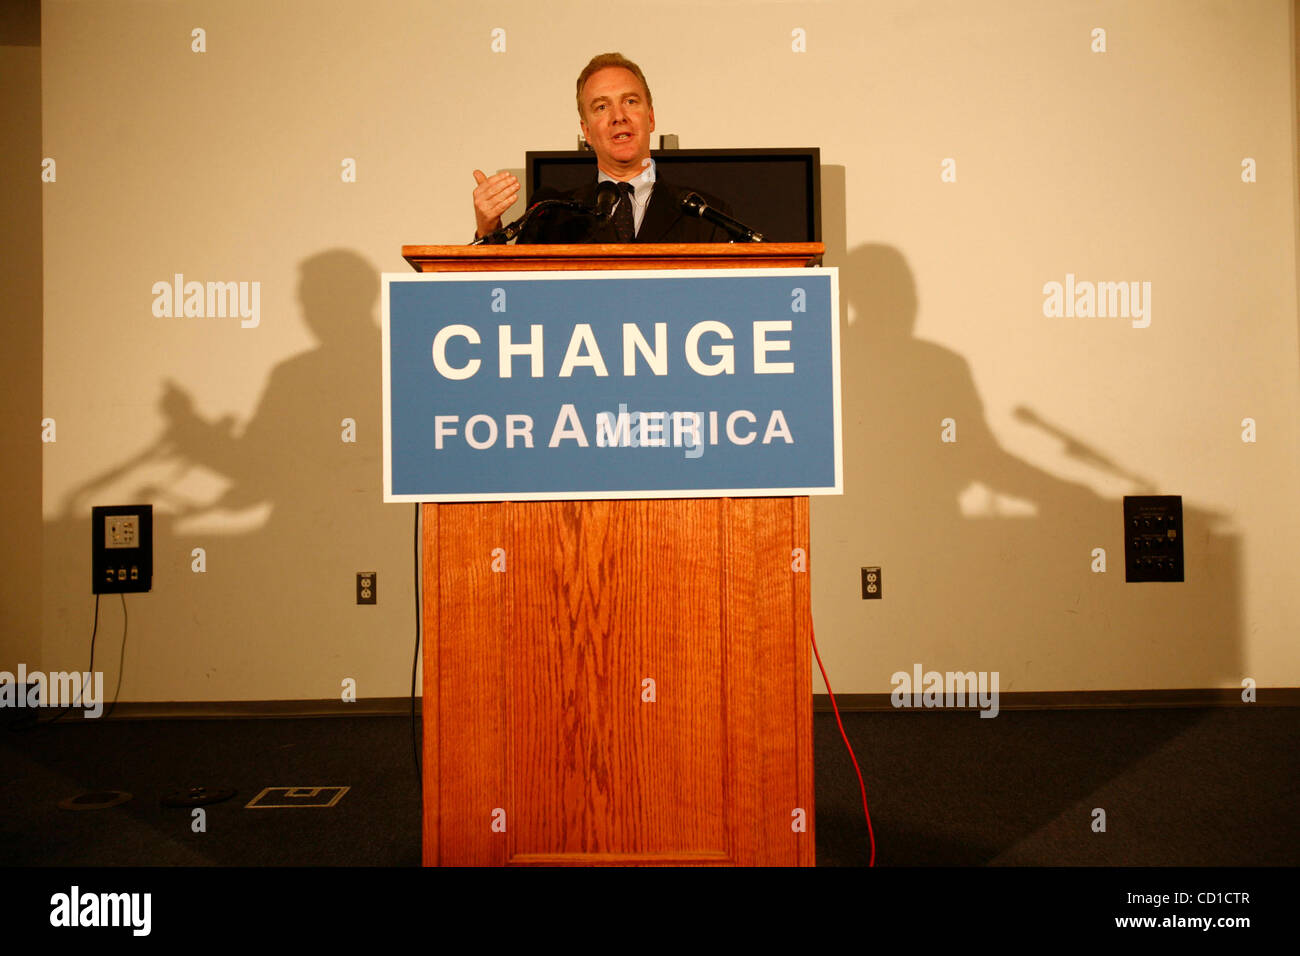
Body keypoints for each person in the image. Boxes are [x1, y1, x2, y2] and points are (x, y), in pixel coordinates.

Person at [471, 52, 732, 244]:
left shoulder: (705, 215)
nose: (618, 116)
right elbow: (513, 298)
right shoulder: (550, 216)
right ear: (586, 132)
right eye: (602, 107)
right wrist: (488, 229)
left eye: (630, 101)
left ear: (650, 118)